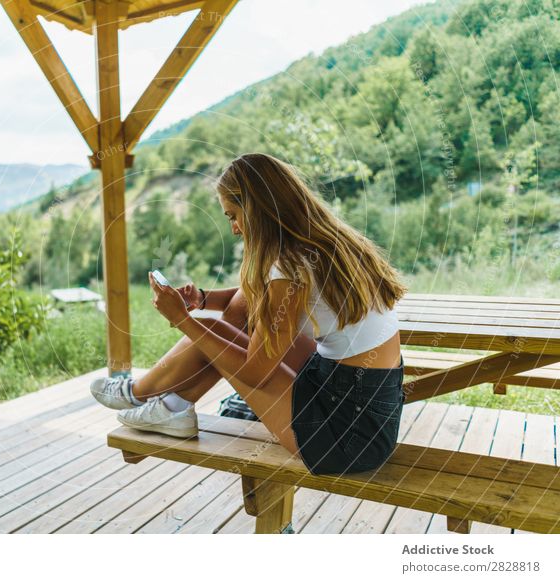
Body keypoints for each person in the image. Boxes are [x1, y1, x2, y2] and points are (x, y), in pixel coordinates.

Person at [91, 152, 407, 475]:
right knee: (225, 326)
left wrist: (182, 320)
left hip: (344, 437)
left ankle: (143, 396)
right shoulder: (323, 240)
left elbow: (255, 373)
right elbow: (258, 299)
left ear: (256, 209)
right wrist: (202, 298)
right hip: (370, 410)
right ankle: (169, 405)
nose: (234, 229)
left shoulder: (290, 266)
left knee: (213, 336)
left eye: (233, 216)